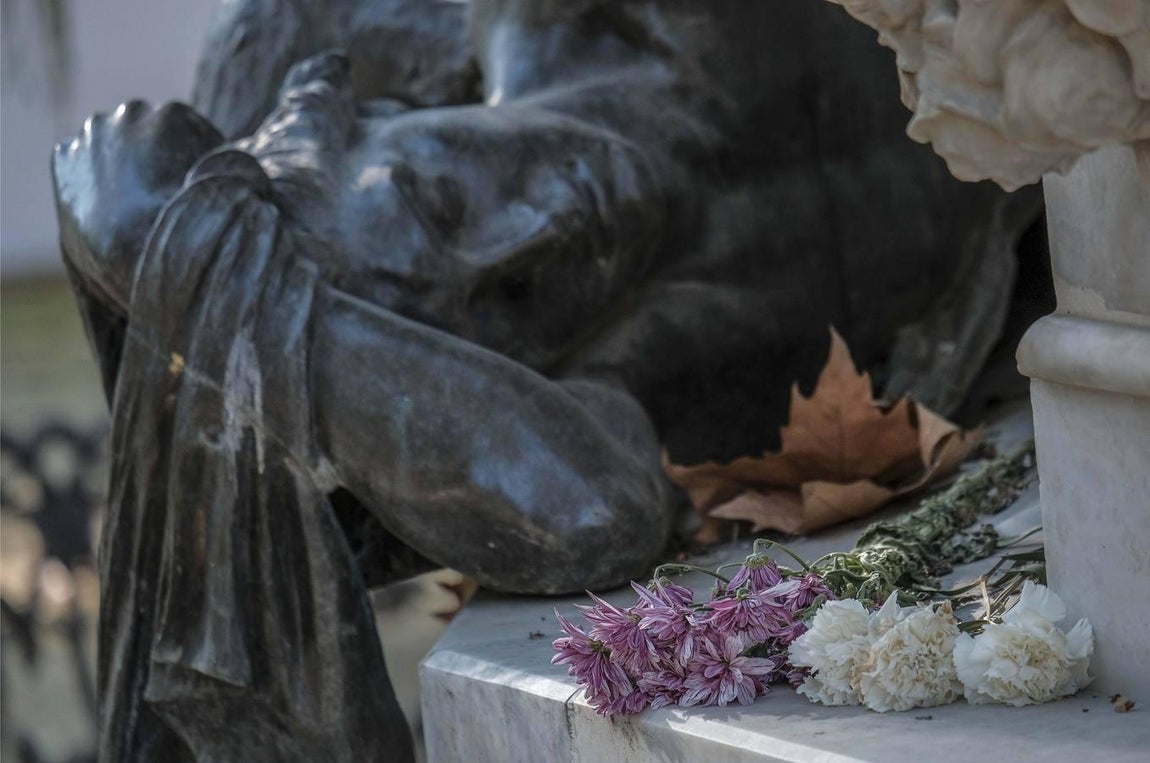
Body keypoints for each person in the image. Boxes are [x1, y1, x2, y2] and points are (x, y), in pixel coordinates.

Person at [52, 1, 1040, 759]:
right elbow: (586, 511)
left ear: (391, 109)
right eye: (498, 321)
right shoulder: (634, 365)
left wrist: (183, 251)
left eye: (435, 198)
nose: (526, 242)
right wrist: (196, 271)